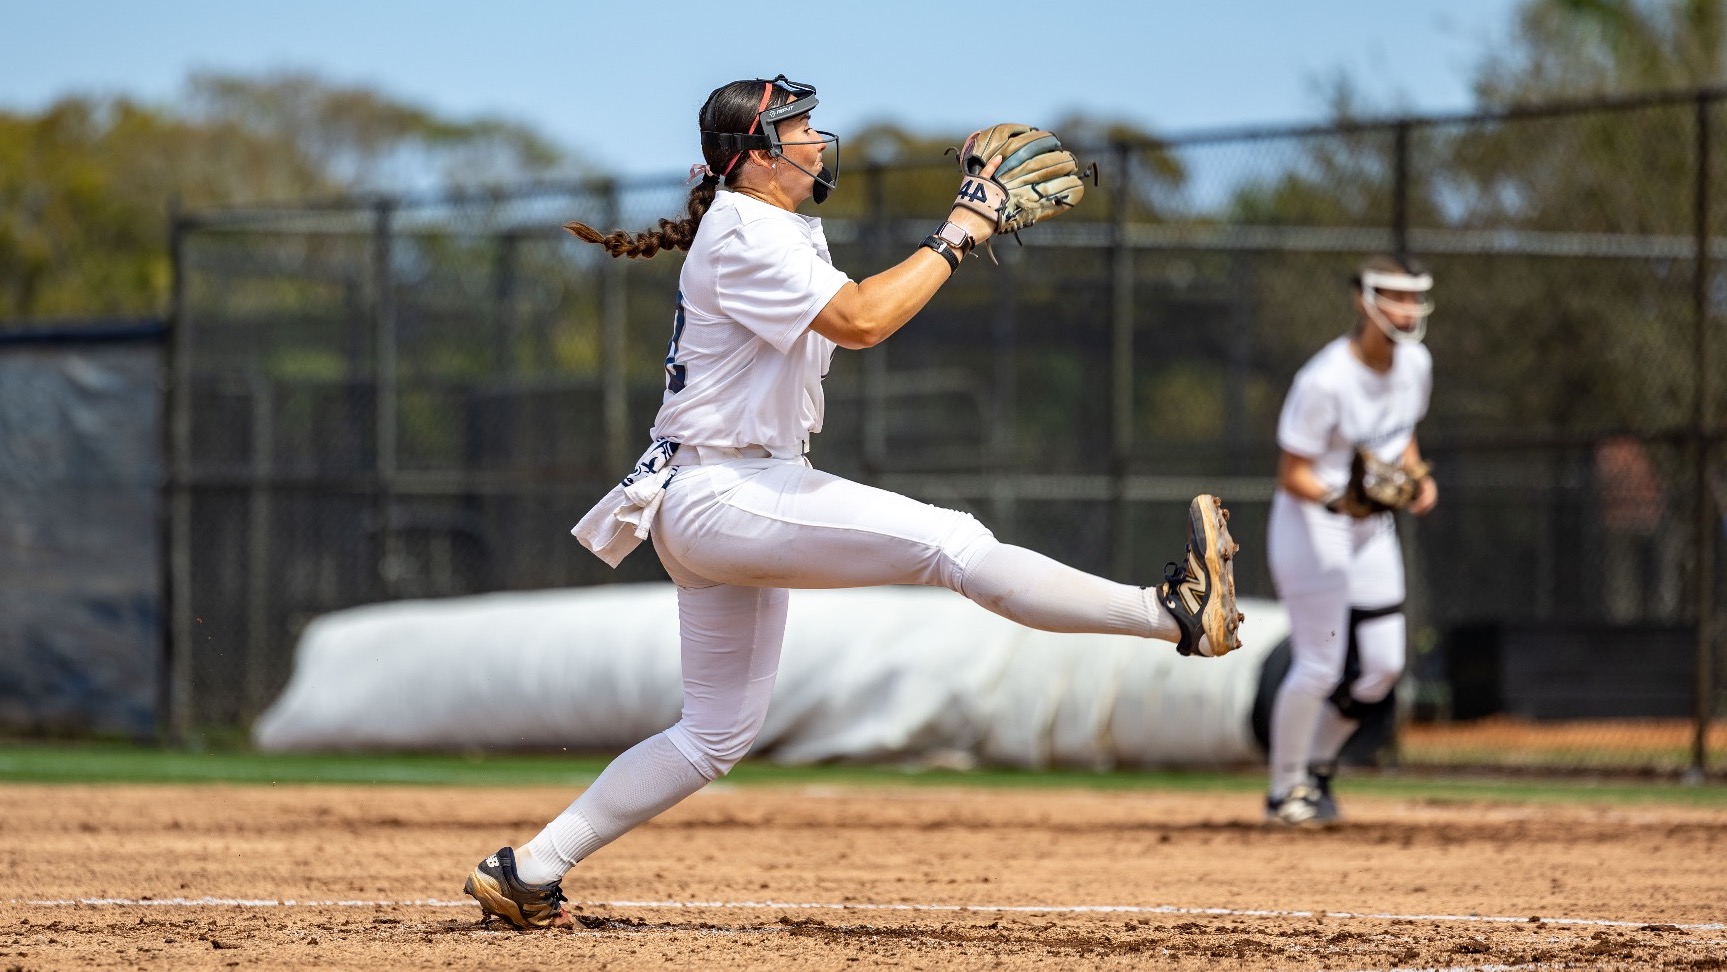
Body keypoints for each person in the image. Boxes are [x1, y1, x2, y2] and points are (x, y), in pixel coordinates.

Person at [461, 74, 1244, 929]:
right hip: (731, 490)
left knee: (715, 734)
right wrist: (962, 227)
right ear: (754, 156)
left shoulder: (766, 225)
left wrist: (964, 226)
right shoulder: (747, 230)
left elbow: (854, 313)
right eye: (796, 128)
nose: (814, 141)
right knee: (952, 543)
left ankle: (529, 866)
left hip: (720, 489)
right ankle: (1169, 613)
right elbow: (864, 320)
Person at [1263, 254, 1437, 827]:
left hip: (1370, 529)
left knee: (1383, 667)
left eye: (1413, 297)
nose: (1407, 309)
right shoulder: (1325, 379)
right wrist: (1342, 500)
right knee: (1320, 664)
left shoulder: (1415, 366)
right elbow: (1293, 472)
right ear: (1365, 301)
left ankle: (1317, 767)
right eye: (1394, 296)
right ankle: (1284, 791)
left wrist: (1418, 480)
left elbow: (1402, 436)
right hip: (1313, 526)